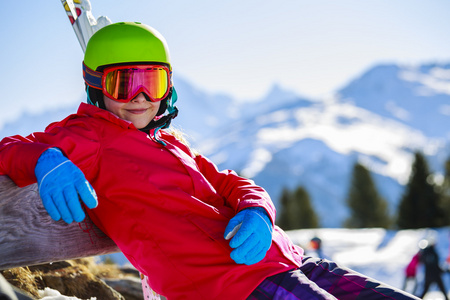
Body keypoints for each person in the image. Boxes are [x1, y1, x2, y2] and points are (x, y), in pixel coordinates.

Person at [0, 22, 420, 300]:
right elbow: (9, 147)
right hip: (233, 285)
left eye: (153, 82)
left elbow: (232, 183)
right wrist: (47, 161)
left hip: (292, 260)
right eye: (124, 84)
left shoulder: (170, 142)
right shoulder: (87, 135)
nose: (141, 98)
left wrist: (258, 210)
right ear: (96, 86)